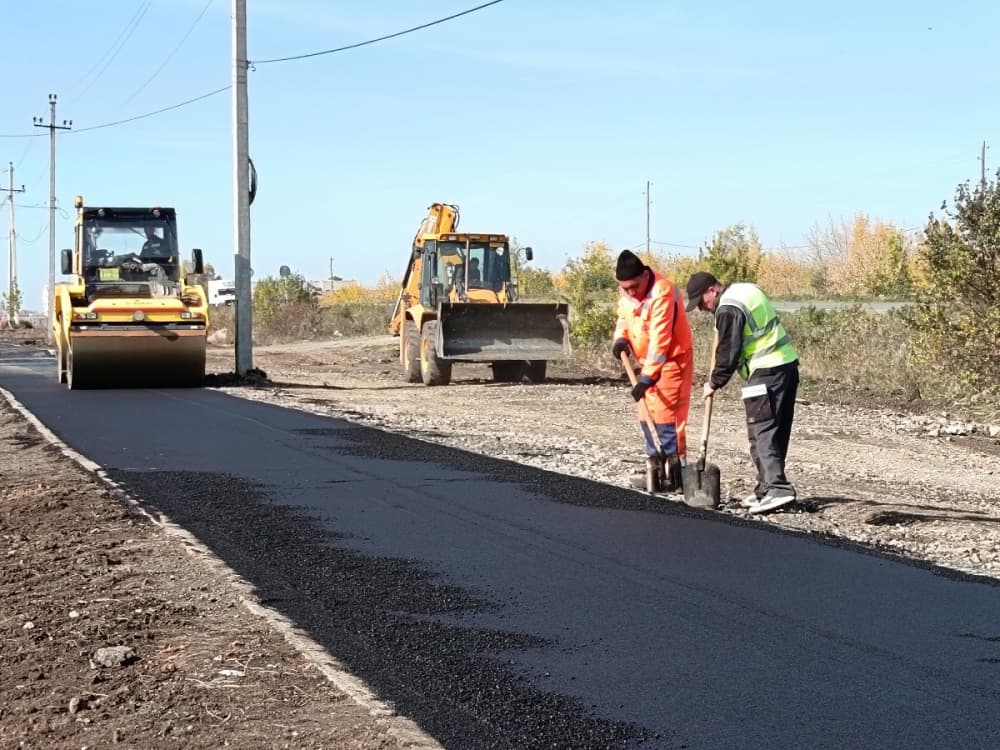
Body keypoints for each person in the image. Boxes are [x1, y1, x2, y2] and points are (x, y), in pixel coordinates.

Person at [685, 271, 800, 514]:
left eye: (702, 303)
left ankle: (778, 489)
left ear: (712, 291)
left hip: (766, 371)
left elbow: (729, 351)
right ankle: (766, 488)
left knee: (761, 430)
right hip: (786, 366)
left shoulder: (728, 307)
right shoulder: (745, 290)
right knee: (774, 430)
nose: (702, 309)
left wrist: (714, 382)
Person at [612, 250, 694, 494]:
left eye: (634, 287)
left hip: (671, 361)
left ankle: (676, 473)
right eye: (625, 288)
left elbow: (661, 338)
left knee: (667, 417)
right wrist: (620, 339)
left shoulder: (663, 292)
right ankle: (655, 469)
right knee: (645, 414)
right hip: (645, 363)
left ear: (645, 276)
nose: (630, 292)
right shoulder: (627, 292)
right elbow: (623, 319)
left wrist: (648, 376)